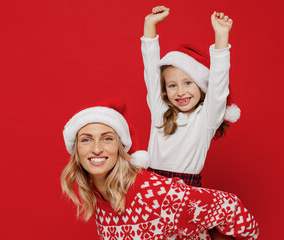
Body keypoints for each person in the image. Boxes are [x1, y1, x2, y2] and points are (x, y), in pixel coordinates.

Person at [61, 98, 258, 239]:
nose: (96, 149)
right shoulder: (96, 192)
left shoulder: (152, 193)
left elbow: (230, 207)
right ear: (76, 150)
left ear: (120, 148)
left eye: (107, 138)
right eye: (86, 140)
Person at [140, 6, 241, 188]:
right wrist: (149, 25)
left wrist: (221, 37)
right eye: (172, 85)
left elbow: (218, 85)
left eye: (188, 83)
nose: (180, 92)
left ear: (202, 87)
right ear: (164, 89)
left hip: (187, 190)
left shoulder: (206, 118)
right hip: (150, 186)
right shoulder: (160, 110)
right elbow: (150, 69)